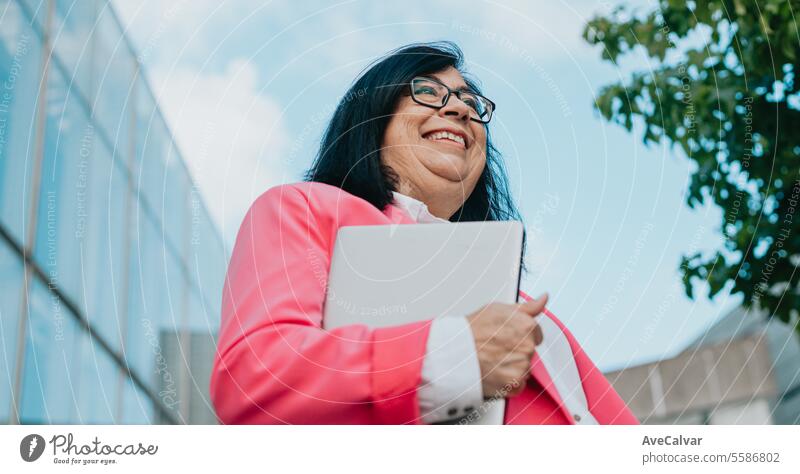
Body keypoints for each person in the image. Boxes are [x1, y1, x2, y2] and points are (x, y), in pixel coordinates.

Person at [210, 41, 638, 425]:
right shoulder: (301, 209)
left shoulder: (517, 299)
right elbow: (256, 378)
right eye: (428, 92)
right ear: (372, 117)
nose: (460, 110)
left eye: (471, 103)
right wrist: (453, 354)